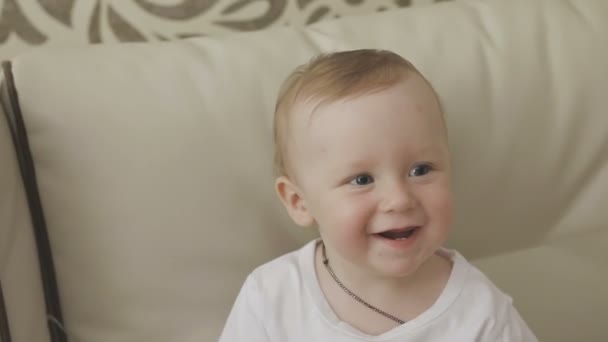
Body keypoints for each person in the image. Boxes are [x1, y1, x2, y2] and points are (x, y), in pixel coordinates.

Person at [219, 49, 537, 341]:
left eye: (421, 170)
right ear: (299, 202)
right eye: (362, 179)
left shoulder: (481, 311)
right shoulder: (271, 296)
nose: (399, 199)